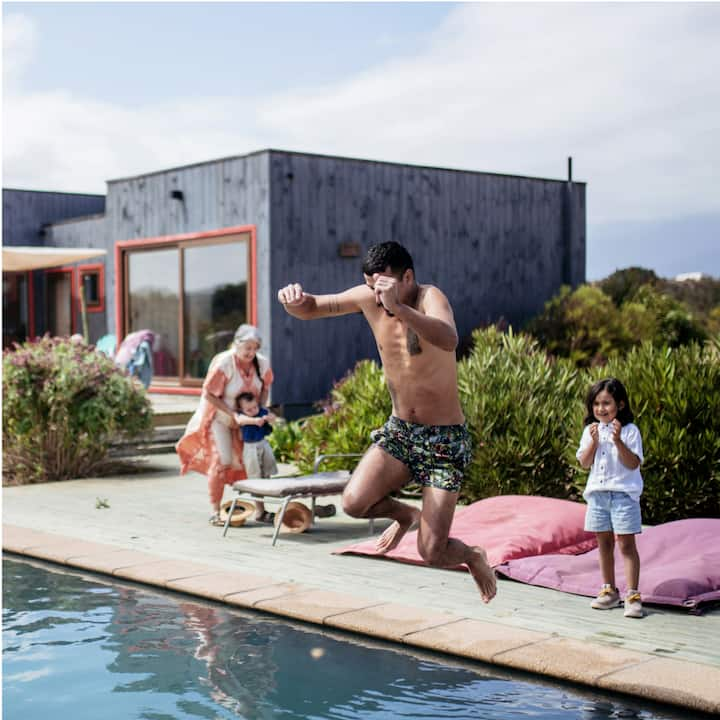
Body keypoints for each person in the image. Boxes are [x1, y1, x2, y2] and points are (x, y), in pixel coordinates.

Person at [277, 241, 497, 602]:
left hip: (444, 441)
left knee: (432, 553)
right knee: (353, 502)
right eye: (371, 286)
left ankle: (473, 556)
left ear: (407, 277)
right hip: (400, 433)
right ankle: (406, 514)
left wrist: (399, 308)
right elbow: (314, 307)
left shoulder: (430, 298)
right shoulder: (369, 297)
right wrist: (293, 302)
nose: (377, 297)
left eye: (385, 287)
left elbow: (449, 338)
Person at [176, 324, 274, 526]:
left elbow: (265, 388)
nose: (251, 352)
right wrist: (233, 414)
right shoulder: (225, 363)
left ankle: (261, 511)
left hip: (246, 420)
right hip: (221, 417)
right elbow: (209, 394)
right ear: (236, 345)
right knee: (222, 460)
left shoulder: (262, 364)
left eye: (255, 348)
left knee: (253, 461)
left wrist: (262, 411)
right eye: (247, 347)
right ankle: (216, 512)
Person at [576, 377, 644, 619]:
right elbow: (584, 463)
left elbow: (633, 463)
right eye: (596, 403)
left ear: (621, 405)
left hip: (624, 496)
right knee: (603, 543)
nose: (600, 409)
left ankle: (633, 594)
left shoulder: (630, 431)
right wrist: (594, 442)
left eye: (606, 403)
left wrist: (617, 441)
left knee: (626, 544)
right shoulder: (590, 431)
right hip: (597, 496)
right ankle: (609, 590)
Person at [234, 392, 279, 523]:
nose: (253, 411)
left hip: (263, 443)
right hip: (250, 447)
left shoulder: (261, 411)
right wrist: (254, 421)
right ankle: (259, 505)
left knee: (268, 464)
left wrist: (270, 418)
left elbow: (273, 417)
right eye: (249, 409)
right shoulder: (242, 416)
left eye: (255, 407)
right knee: (254, 473)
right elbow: (239, 420)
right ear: (241, 409)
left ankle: (267, 480)